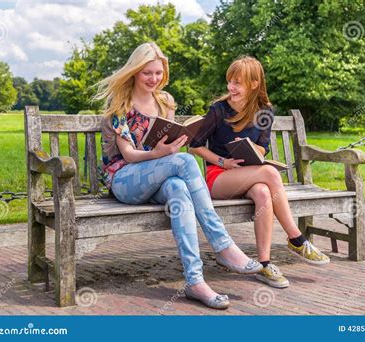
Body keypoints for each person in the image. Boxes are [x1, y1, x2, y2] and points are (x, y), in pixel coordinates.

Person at [95, 43, 262, 309]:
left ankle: (195, 282)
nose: (154, 79)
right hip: (125, 180)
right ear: (135, 72)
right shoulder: (119, 105)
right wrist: (162, 153)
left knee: (178, 189)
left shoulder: (165, 102)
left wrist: (172, 146)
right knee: (184, 160)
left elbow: (168, 143)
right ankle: (223, 245)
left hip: (158, 177)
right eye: (147, 73)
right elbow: (128, 155)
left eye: (158, 73)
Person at [189, 56, 330, 289]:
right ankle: (296, 238)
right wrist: (223, 161)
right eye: (230, 82)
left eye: (237, 83)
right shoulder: (218, 110)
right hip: (219, 178)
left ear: (254, 84)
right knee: (272, 175)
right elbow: (195, 145)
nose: (230, 87)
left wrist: (252, 150)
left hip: (250, 174)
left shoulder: (264, 111)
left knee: (264, 193)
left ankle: (264, 264)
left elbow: (262, 147)